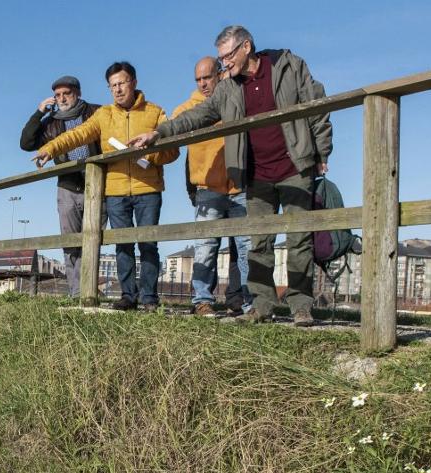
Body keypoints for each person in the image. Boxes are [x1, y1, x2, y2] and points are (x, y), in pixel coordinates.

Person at [131, 25, 333, 325]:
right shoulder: (228, 88)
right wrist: (159, 132)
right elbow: (198, 115)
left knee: (299, 239)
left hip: (295, 166)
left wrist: (321, 152)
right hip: (257, 173)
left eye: (228, 56)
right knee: (259, 243)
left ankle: (301, 306)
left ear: (246, 47)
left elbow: (317, 106)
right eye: (221, 58)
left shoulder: (288, 67)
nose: (224, 63)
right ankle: (262, 305)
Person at [33, 62, 179, 312]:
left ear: (133, 82)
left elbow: (173, 151)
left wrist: (150, 154)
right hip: (115, 190)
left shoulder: (155, 112)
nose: (118, 89)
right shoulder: (104, 115)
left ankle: (149, 298)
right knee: (122, 244)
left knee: (148, 244)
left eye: (122, 83)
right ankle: (128, 296)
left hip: (148, 189)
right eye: (113, 86)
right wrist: (50, 148)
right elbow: (77, 135)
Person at [175, 56, 252, 317]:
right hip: (208, 187)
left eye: (207, 77)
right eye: (198, 79)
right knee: (206, 247)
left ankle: (250, 302)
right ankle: (202, 300)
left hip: (239, 185)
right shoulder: (188, 108)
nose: (203, 83)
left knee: (246, 247)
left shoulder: (236, 98)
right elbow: (170, 130)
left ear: (219, 74)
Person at [19, 76, 102, 298]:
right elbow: (26, 143)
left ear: (78, 93)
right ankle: (77, 293)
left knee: (94, 239)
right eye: (57, 95)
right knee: (70, 243)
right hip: (67, 186)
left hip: (96, 185)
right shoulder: (51, 122)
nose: (62, 98)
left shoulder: (95, 112)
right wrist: (39, 113)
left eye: (67, 93)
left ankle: (89, 291)